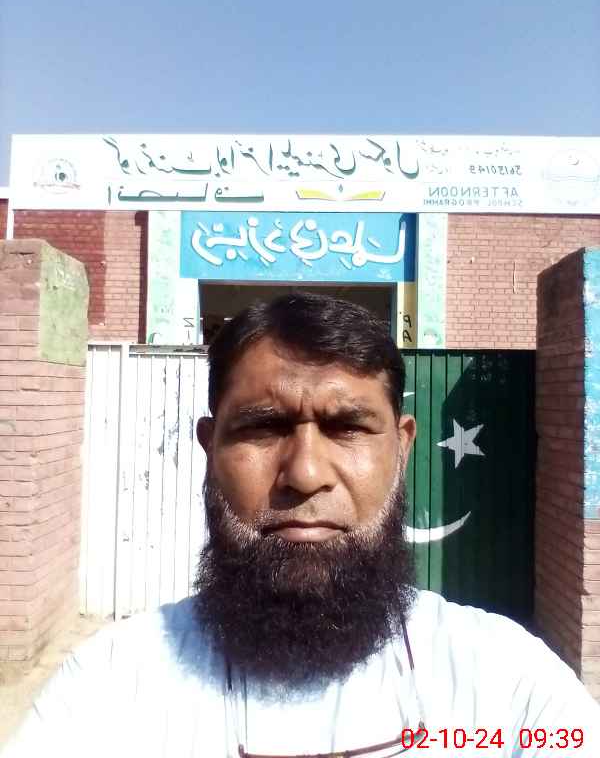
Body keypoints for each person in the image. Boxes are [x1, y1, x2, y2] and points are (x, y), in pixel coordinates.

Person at [2, 292, 599, 757]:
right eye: (263, 428)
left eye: (347, 428)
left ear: (401, 449)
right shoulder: (107, 691)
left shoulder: (508, 687)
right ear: (210, 448)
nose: (306, 474)